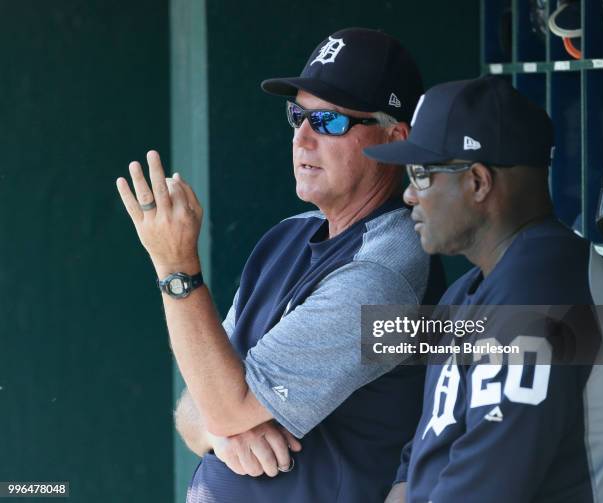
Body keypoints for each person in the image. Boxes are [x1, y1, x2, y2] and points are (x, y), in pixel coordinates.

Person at [117, 28, 445, 503]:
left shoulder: (383, 270)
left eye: (329, 121)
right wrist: (225, 429)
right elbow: (198, 404)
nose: (303, 137)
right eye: (297, 115)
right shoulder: (288, 235)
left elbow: (223, 401)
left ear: (394, 139)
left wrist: (176, 267)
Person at [364, 75, 603, 502]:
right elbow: (419, 460)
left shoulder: (544, 296)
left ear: (478, 181)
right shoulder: (468, 290)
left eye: (421, 175)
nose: (408, 195)